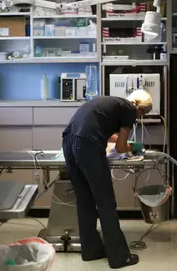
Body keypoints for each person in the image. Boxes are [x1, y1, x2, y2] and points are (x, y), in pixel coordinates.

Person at [62, 89, 153, 269]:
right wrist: (132, 148)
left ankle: (91, 251)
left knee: (85, 200)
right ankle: (119, 257)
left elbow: (104, 131)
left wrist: (126, 142)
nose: (139, 118)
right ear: (140, 108)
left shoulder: (111, 103)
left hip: (68, 142)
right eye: (143, 113)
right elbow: (120, 147)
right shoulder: (129, 110)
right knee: (105, 202)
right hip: (87, 145)